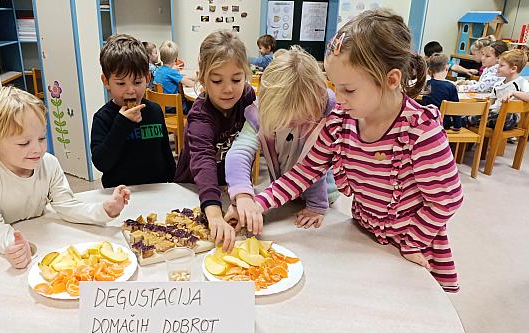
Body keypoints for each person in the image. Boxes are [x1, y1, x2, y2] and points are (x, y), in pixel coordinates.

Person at [234, 9, 464, 292]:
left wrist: (413, 242)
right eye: (335, 88)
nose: (338, 99)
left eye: (348, 90)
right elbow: (304, 172)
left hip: (413, 246)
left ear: (391, 80)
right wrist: (258, 202)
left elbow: (447, 199)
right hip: (364, 236)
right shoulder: (340, 121)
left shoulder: (419, 130)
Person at [0, 87, 130, 269]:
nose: (37, 149)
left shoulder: (48, 163)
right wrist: (13, 245)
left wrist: (105, 210)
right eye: (24, 143)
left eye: (41, 138)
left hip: (32, 230)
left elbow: (67, 206)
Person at [225, 46, 338, 236]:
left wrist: (317, 205)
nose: (290, 125)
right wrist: (243, 197)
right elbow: (239, 153)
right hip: (281, 194)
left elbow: (313, 168)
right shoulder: (261, 111)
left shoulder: (327, 112)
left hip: (323, 197)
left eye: (297, 119)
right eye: (283, 121)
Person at [174, 29, 256, 251]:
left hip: (228, 187)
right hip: (194, 187)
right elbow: (203, 162)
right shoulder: (201, 116)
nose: (228, 89)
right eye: (217, 80)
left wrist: (240, 194)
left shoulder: (248, 98)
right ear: (203, 78)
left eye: (236, 79)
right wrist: (213, 212)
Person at [91, 34, 176, 188]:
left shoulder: (155, 111)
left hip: (157, 189)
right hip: (120, 195)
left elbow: (165, 152)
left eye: (137, 82)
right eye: (121, 83)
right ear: (106, 82)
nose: (130, 91)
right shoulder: (103, 118)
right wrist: (122, 125)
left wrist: (174, 182)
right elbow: (101, 163)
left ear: (148, 78)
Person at [467, 49, 529, 130]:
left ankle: (467, 121)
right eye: (498, 64)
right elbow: (491, 103)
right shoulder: (498, 84)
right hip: (494, 115)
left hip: (509, 119)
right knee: (480, 112)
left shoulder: (521, 82)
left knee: (487, 115)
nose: (498, 68)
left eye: (502, 65)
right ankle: (468, 122)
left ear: (513, 69)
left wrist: (513, 92)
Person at [421, 53, 462, 130]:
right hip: (443, 124)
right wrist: (457, 125)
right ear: (447, 67)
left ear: (430, 70)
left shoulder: (427, 84)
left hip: (427, 122)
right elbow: (455, 109)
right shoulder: (451, 87)